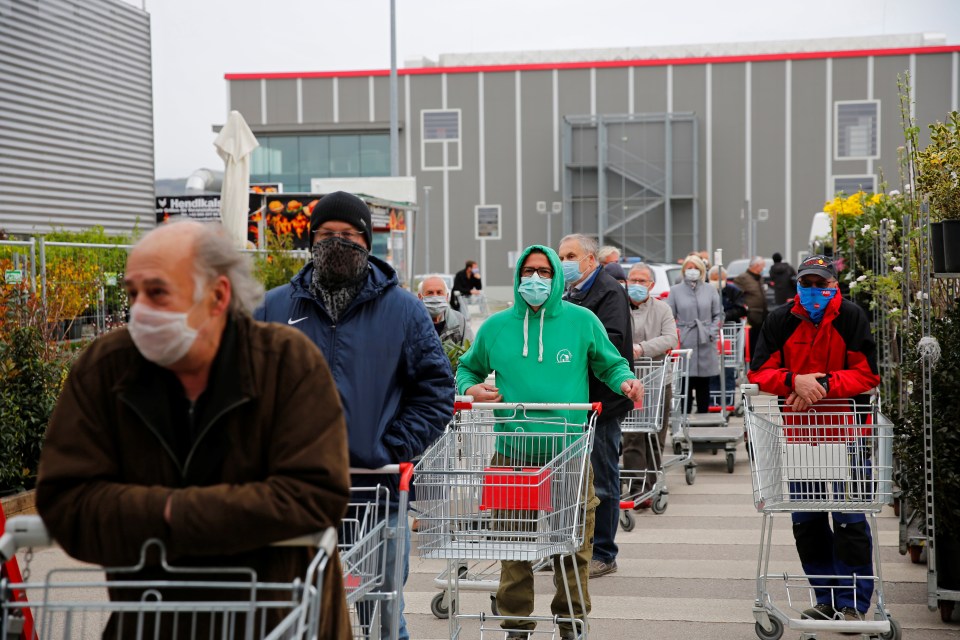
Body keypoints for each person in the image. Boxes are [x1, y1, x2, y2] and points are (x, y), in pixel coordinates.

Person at [35, 220, 352, 639]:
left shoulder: (286, 363)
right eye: (133, 294)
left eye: (157, 292)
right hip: (151, 622)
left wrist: (169, 514)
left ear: (218, 296)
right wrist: (197, 514)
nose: (140, 310)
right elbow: (65, 500)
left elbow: (315, 495)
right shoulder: (106, 369)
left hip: (281, 624)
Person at [254, 191, 454, 640]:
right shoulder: (274, 308)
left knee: (381, 615)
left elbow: (436, 389)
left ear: (367, 241)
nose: (337, 243)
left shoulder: (403, 310)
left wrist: (390, 445)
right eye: (327, 234)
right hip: (294, 492)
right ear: (311, 241)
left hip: (376, 492)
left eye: (348, 235)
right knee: (291, 614)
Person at [457, 245, 644, 640]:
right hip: (512, 453)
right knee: (513, 546)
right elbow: (467, 368)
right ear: (518, 276)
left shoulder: (582, 321)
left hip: (570, 454)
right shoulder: (496, 327)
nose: (536, 279)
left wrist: (625, 380)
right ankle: (516, 624)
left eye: (544, 272)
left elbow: (609, 364)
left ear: (557, 277)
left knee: (574, 544)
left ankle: (571, 620)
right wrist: (473, 388)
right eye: (529, 271)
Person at [748, 255, 880, 623]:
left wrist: (819, 385)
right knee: (807, 523)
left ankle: (854, 602)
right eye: (806, 284)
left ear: (834, 286)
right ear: (797, 287)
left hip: (845, 433)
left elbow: (868, 374)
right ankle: (825, 597)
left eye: (820, 284)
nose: (813, 291)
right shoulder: (780, 319)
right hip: (798, 438)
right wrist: (794, 381)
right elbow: (759, 371)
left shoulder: (851, 317)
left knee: (849, 520)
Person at [558, 234, 634, 580]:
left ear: (590, 259)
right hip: (572, 402)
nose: (564, 262)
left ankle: (604, 551)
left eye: (570, 255)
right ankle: (571, 545)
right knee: (569, 480)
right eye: (561, 256)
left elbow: (613, 343)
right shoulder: (568, 293)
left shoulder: (607, 291)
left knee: (602, 478)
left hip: (601, 401)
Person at [622, 263, 678, 506]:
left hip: (656, 381)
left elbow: (670, 337)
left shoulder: (662, 309)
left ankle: (653, 482)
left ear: (651, 285)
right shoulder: (619, 309)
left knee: (655, 433)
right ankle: (637, 488)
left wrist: (642, 348)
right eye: (631, 280)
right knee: (633, 435)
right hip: (629, 383)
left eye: (641, 281)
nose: (635, 285)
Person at [667, 254, 722, 413]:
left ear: (702, 270)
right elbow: (669, 315)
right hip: (685, 340)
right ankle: (684, 418)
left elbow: (718, 314)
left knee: (704, 383)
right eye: (689, 268)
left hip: (706, 339)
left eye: (696, 268)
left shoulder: (710, 289)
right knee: (685, 381)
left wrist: (712, 332)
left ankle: (704, 416)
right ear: (684, 270)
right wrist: (677, 335)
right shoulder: (675, 290)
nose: (692, 271)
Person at [708, 265, 748, 407]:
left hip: (730, 334)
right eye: (714, 279)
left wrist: (723, 317)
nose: (718, 281)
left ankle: (728, 400)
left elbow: (741, 309)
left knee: (728, 367)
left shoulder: (733, 291)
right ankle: (712, 401)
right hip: (712, 335)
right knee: (712, 368)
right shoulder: (706, 291)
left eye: (720, 278)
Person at [418, 274, 473, 345]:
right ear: (420, 297)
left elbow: (470, 350)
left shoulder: (459, 320)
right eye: (430, 293)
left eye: (439, 292)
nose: (435, 297)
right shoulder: (411, 322)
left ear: (446, 297)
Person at [734, 255, 769, 357]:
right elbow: (737, 296)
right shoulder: (742, 278)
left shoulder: (759, 278)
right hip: (751, 317)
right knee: (750, 343)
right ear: (756, 266)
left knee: (760, 342)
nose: (763, 269)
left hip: (762, 315)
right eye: (762, 266)